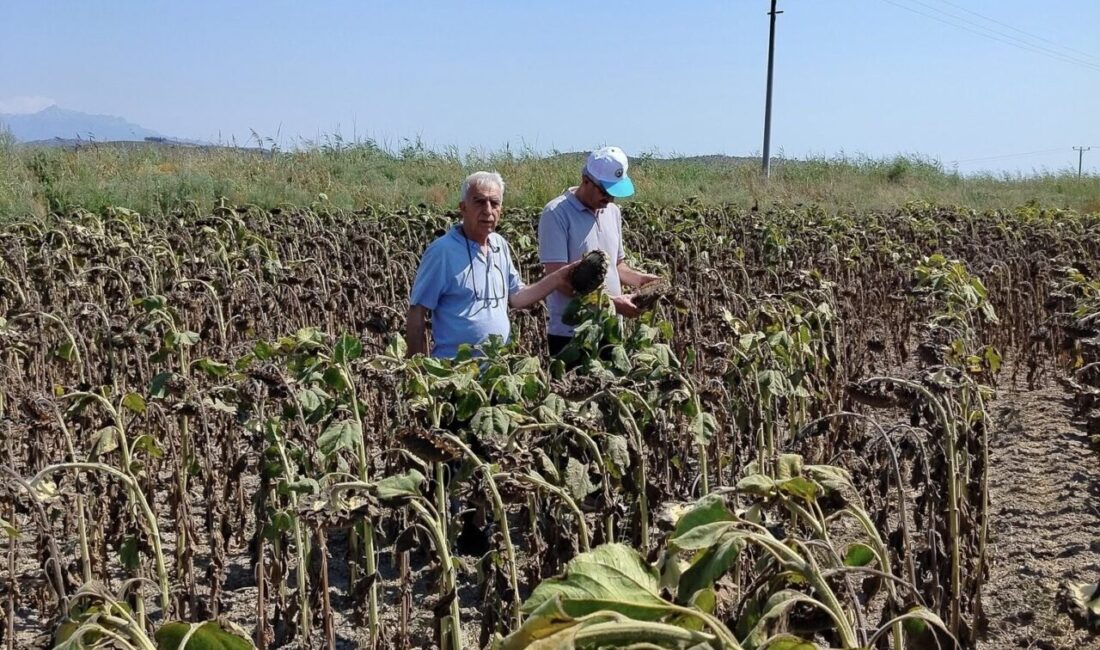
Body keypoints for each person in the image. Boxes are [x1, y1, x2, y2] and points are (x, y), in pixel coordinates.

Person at [406, 171, 576, 358]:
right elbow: (417, 310)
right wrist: (418, 368)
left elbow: (517, 297)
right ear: (463, 208)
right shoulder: (442, 252)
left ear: (501, 210)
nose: (488, 210)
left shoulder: (499, 245)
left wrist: (558, 278)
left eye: (494, 203)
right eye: (479, 202)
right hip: (454, 373)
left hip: (497, 371)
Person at [538, 146, 660, 356]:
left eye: (614, 193)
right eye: (605, 192)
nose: (610, 199)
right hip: (573, 334)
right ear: (586, 180)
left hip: (610, 328)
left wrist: (641, 280)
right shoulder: (556, 214)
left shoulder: (612, 212)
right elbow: (558, 279)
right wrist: (613, 303)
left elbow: (617, 265)